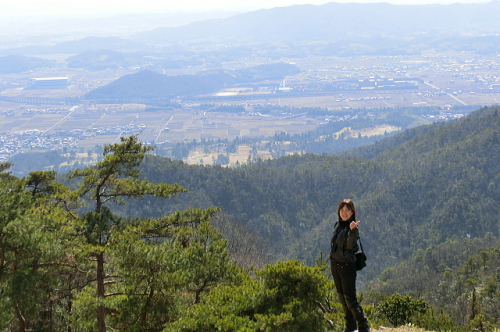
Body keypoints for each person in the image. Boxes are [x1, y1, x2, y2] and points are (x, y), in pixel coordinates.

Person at [330, 199, 370, 332]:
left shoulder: (353, 229)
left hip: (347, 266)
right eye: (342, 210)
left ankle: (363, 326)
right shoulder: (338, 225)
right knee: (342, 297)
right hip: (335, 264)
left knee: (350, 299)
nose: (344, 213)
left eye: (347, 210)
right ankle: (350, 326)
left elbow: (349, 245)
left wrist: (352, 231)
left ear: (352, 212)